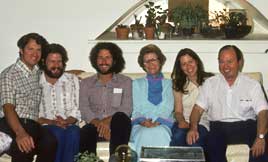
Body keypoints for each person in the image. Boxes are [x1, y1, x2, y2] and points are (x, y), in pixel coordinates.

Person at [187, 45, 268, 162]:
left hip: (247, 125)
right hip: (219, 127)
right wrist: (193, 127)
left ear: (239, 62)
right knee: (212, 147)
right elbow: (197, 109)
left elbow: (263, 112)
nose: (225, 66)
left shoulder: (252, 85)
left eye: (230, 61)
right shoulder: (210, 84)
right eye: (221, 62)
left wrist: (260, 136)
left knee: (263, 147)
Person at [0, 33, 57, 162]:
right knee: (25, 144)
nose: (35, 54)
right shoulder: (9, 74)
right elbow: (8, 107)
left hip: (32, 124)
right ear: (21, 50)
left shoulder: (38, 72)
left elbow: (57, 71)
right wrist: (20, 134)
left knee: (51, 141)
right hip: (11, 122)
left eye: (38, 50)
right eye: (30, 49)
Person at [79, 42, 132, 156]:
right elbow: (84, 109)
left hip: (118, 126)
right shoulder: (86, 83)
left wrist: (107, 122)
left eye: (108, 57)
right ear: (95, 60)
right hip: (95, 125)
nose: (103, 61)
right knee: (86, 131)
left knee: (120, 118)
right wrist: (100, 124)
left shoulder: (125, 82)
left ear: (114, 60)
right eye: (100, 57)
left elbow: (126, 108)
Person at [38, 43, 81, 162]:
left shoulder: (72, 79)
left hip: (70, 124)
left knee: (74, 132)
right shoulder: (35, 82)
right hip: (45, 126)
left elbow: (77, 109)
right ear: (43, 62)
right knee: (57, 132)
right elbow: (32, 114)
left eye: (59, 61)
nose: (56, 65)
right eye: (52, 61)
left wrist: (67, 121)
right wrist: (52, 122)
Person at [129, 44, 174, 156]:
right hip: (141, 125)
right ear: (143, 65)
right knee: (143, 133)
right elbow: (136, 108)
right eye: (146, 61)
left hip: (163, 124)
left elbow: (168, 107)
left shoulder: (170, 84)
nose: (150, 64)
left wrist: (157, 122)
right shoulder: (136, 84)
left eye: (153, 60)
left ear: (160, 61)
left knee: (160, 132)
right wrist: (143, 121)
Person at [169, 48, 213, 157]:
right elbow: (178, 111)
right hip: (183, 121)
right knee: (178, 137)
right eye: (184, 64)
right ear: (180, 67)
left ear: (196, 61)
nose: (188, 67)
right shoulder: (178, 84)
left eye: (190, 62)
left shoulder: (210, 80)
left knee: (194, 142)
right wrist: (182, 121)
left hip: (202, 122)